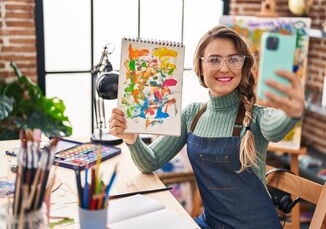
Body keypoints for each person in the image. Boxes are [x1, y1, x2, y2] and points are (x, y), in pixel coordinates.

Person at [109, 25, 305, 229]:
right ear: (200, 67)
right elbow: (150, 162)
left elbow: (276, 127)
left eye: (234, 59)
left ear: (243, 66)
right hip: (211, 224)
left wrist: (291, 114)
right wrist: (131, 138)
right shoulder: (191, 115)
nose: (224, 68)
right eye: (214, 59)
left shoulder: (256, 117)